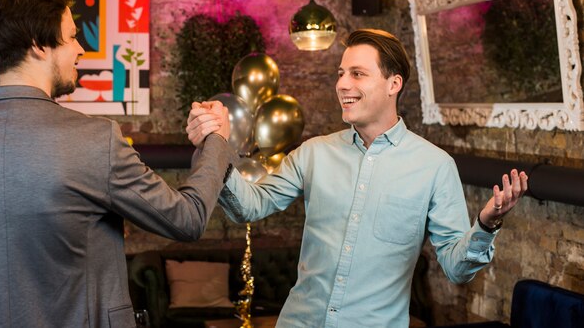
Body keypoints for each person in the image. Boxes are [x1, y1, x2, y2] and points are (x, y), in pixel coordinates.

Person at [187, 29, 528, 328]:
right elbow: (250, 205)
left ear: (394, 84)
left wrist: (486, 225)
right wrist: (213, 145)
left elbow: (457, 269)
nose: (342, 84)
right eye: (341, 73)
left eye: (358, 74)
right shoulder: (314, 153)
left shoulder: (435, 166)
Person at [0, 0, 231, 328]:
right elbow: (187, 219)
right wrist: (217, 141)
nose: (81, 49)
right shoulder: (94, 140)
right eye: (72, 36)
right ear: (39, 45)